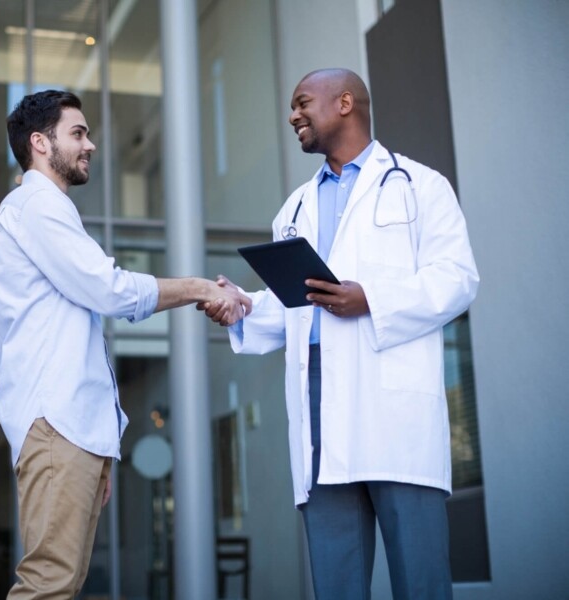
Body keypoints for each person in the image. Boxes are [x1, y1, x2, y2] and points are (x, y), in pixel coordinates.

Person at [200, 68, 479, 599]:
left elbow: (458, 280)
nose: (293, 116)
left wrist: (369, 298)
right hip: (318, 414)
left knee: (421, 583)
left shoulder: (420, 187)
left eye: (302, 103)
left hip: (393, 414)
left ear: (345, 102)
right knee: (337, 587)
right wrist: (242, 307)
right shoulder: (294, 210)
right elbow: (295, 305)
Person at [0, 89, 251, 598]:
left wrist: (100, 452)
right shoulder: (36, 205)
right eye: (78, 133)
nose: (90, 145)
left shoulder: (48, 210)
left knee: (61, 583)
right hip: (56, 426)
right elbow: (110, 290)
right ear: (40, 143)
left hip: (72, 431)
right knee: (47, 584)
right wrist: (199, 287)